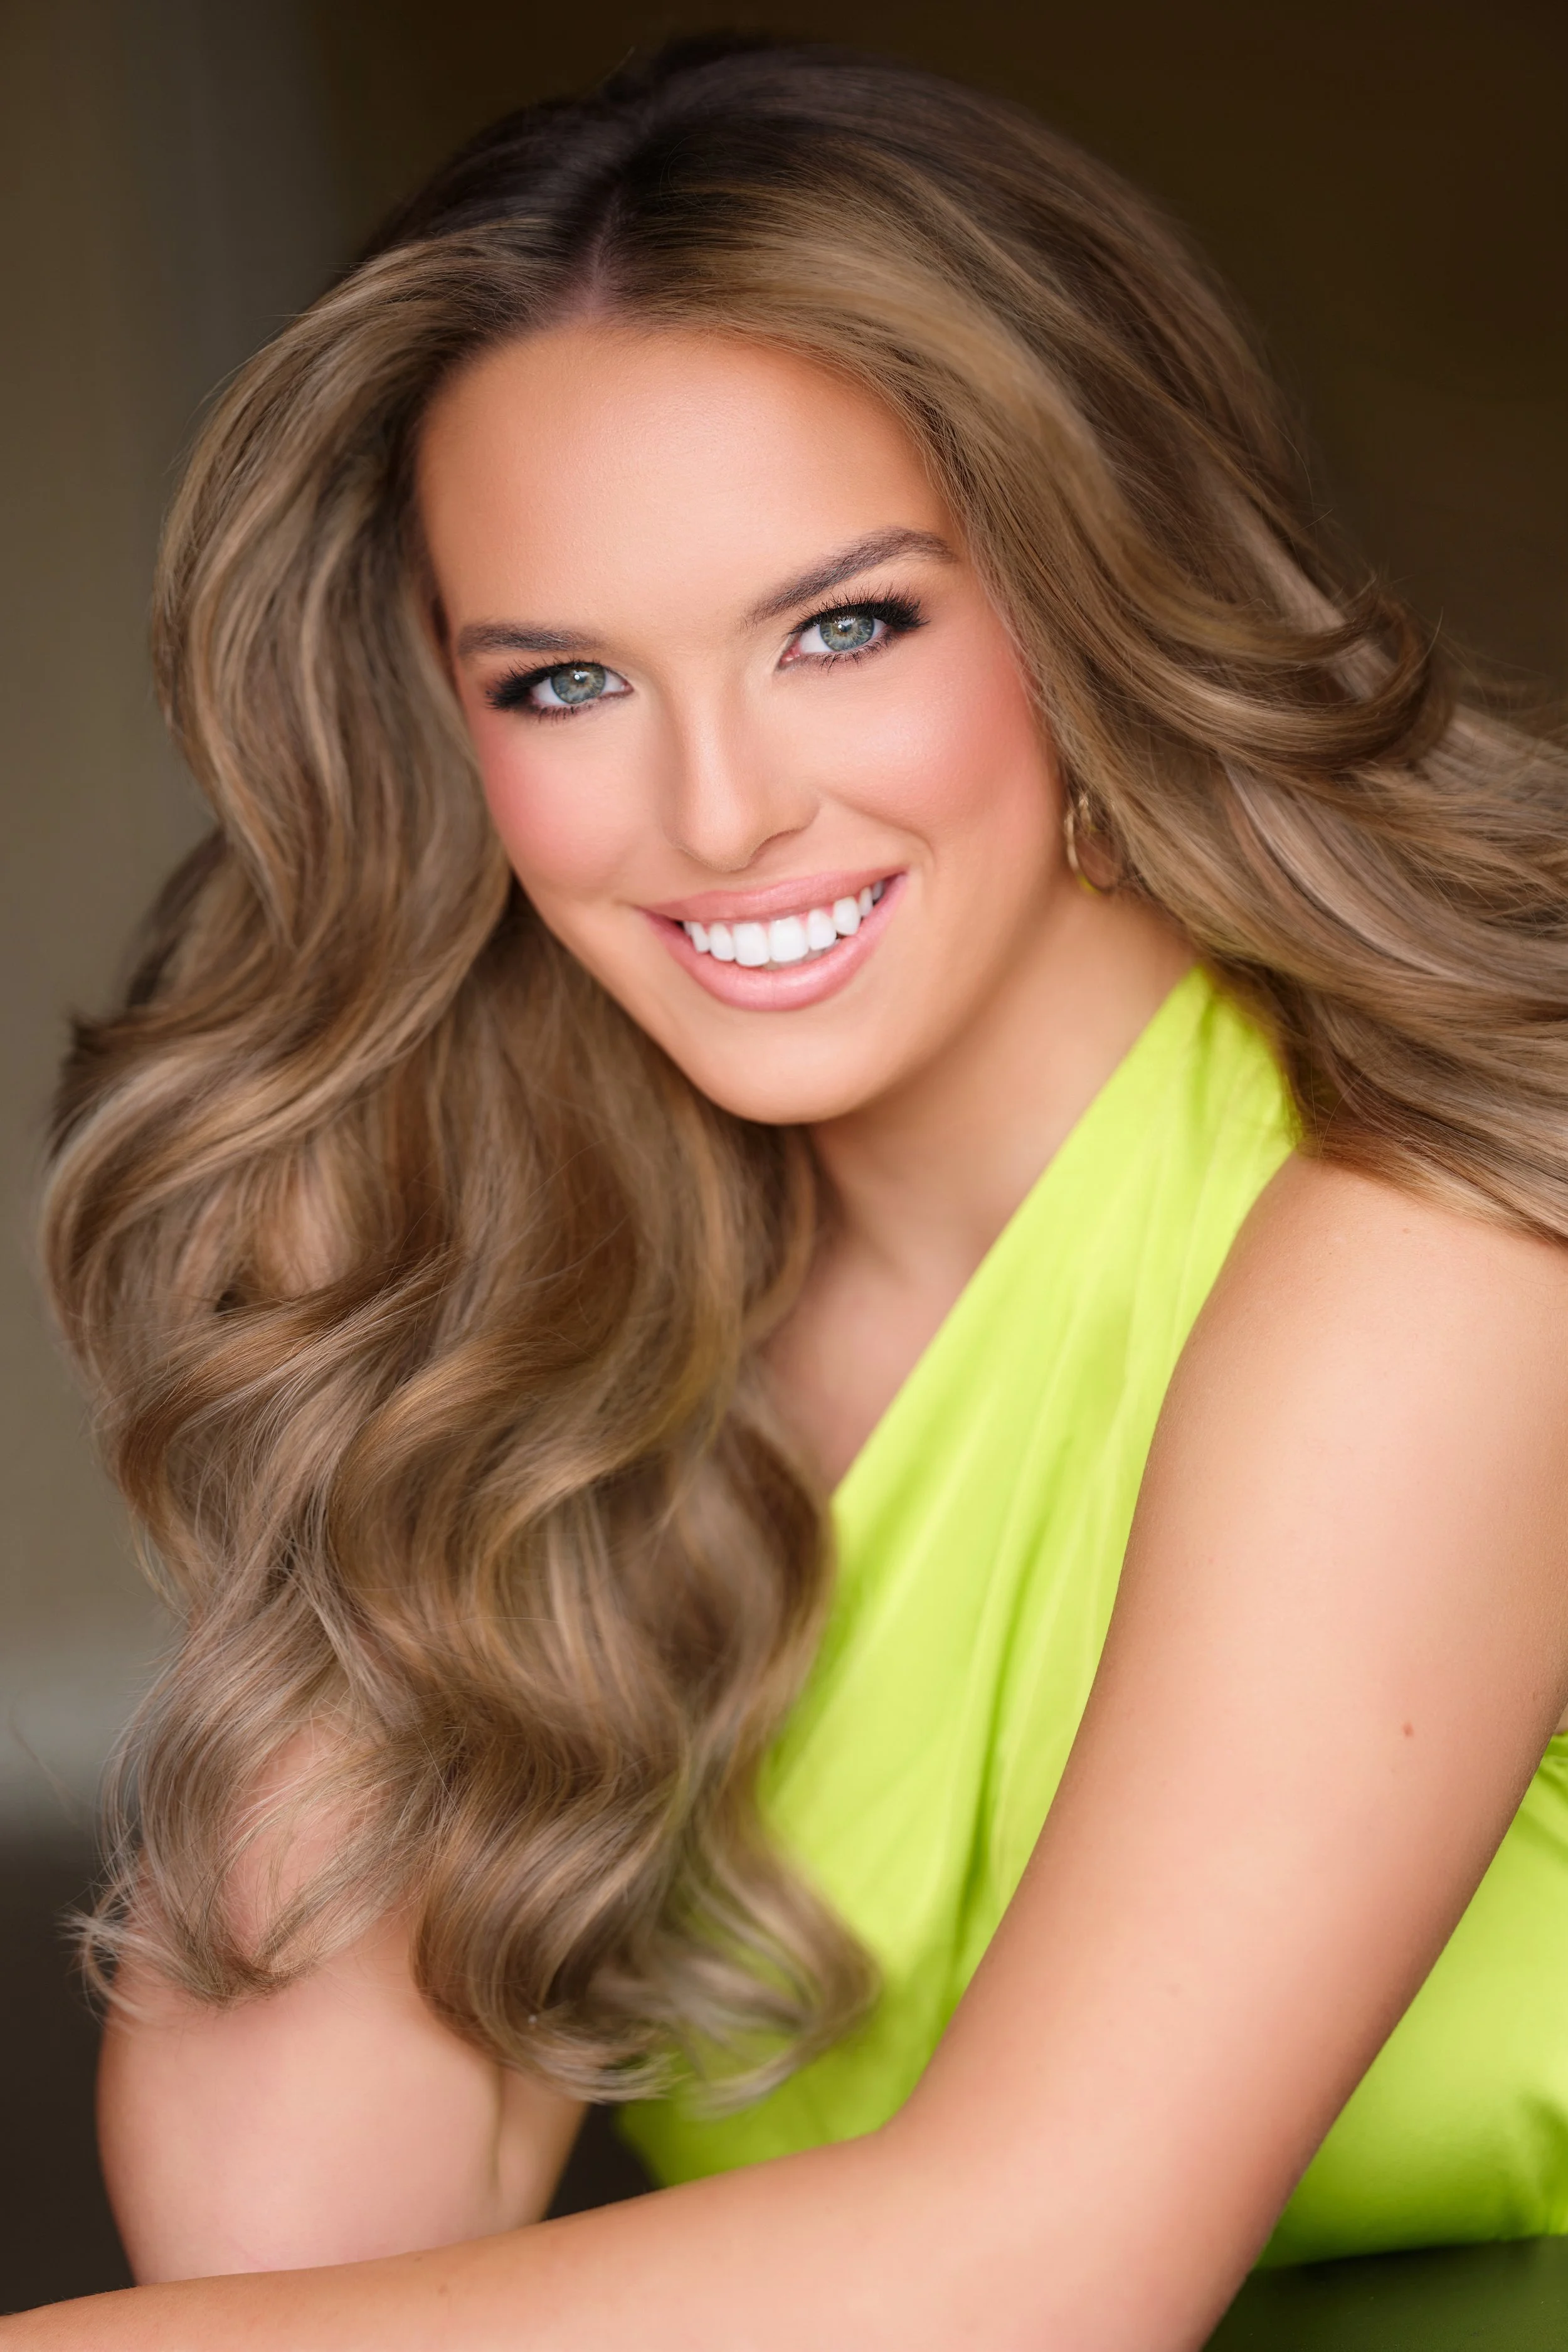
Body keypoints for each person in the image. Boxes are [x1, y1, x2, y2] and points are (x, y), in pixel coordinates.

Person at [14, 33, 1568, 2349]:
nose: (717, 810)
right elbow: (298, 2254)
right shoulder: (562, 1292)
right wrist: (374, 1364)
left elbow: (1037, 2266)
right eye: (558, 683)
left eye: (845, 625)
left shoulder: (1440, 1242)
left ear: (1082, 593)